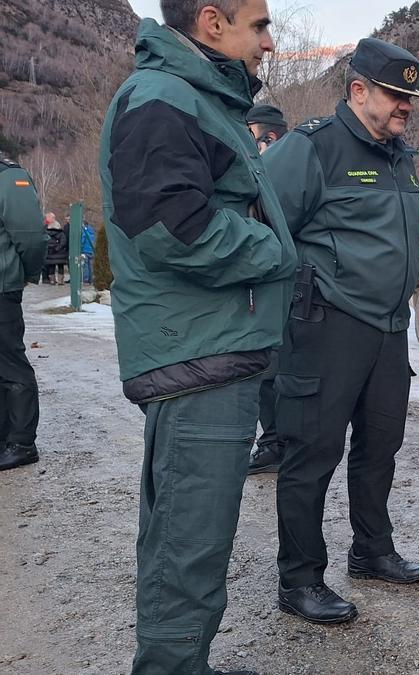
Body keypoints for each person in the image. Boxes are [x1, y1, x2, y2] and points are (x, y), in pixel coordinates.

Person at [99, 1, 294, 673]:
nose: (269, 41)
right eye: (260, 24)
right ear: (213, 22)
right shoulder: (166, 96)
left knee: (188, 539)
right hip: (198, 353)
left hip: (207, 348)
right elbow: (167, 224)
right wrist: (274, 249)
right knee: (189, 544)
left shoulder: (194, 98)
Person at [264, 37, 419, 625]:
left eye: (411, 96)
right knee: (311, 455)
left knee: (380, 447)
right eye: (396, 94)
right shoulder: (312, 148)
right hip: (327, 326)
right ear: (358, 90)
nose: (406, 105)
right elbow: (263, 229)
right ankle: (301, 579)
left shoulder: (400, 156)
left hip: (389, 329)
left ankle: (372, 550)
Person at [244, 102, 290, 475]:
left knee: (271, 372)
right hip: (275, 287)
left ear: (269, 137)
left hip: (282, 288)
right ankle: (276, 441)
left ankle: (276, 443)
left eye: (252, 136)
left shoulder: (277, 172)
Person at [0, 150, 47, 471]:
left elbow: (31, 235)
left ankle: (20, 442)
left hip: (1, 287)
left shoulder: (8, 177)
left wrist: (25, 274)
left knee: (8, 362)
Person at [43, 213, 68, 285]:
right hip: (60, 253)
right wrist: (57, 248)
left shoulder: (46, 232)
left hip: (50, 252)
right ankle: (60, 281)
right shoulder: (60, 233)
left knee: (51, 266)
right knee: (60, 266)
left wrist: (49, 248)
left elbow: (44, 241)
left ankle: (52, 280)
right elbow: (63, 242)